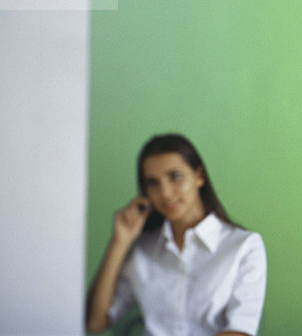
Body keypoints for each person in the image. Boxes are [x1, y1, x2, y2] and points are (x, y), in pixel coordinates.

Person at [86, 134, 267, 336]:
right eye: (153, 183)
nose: (165, 193)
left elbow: (240, 331)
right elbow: (95, 322)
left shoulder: (244, 246)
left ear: (199, 176)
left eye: (175, 177)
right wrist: (119, 242)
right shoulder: (143, 250)